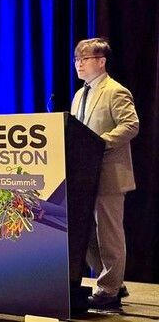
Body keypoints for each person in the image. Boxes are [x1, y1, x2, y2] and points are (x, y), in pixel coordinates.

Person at [71, 38, 139, 310]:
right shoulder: (79, 95)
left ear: (101, 61)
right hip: (83, 177)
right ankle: (113, 281)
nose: (78, 64)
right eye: (76, 59)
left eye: (84, 59)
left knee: (109, 235)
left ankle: (109, 290)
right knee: (84, 234)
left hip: (109, 175)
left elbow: (131, 125)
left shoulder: (115, 91)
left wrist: (100, 143)